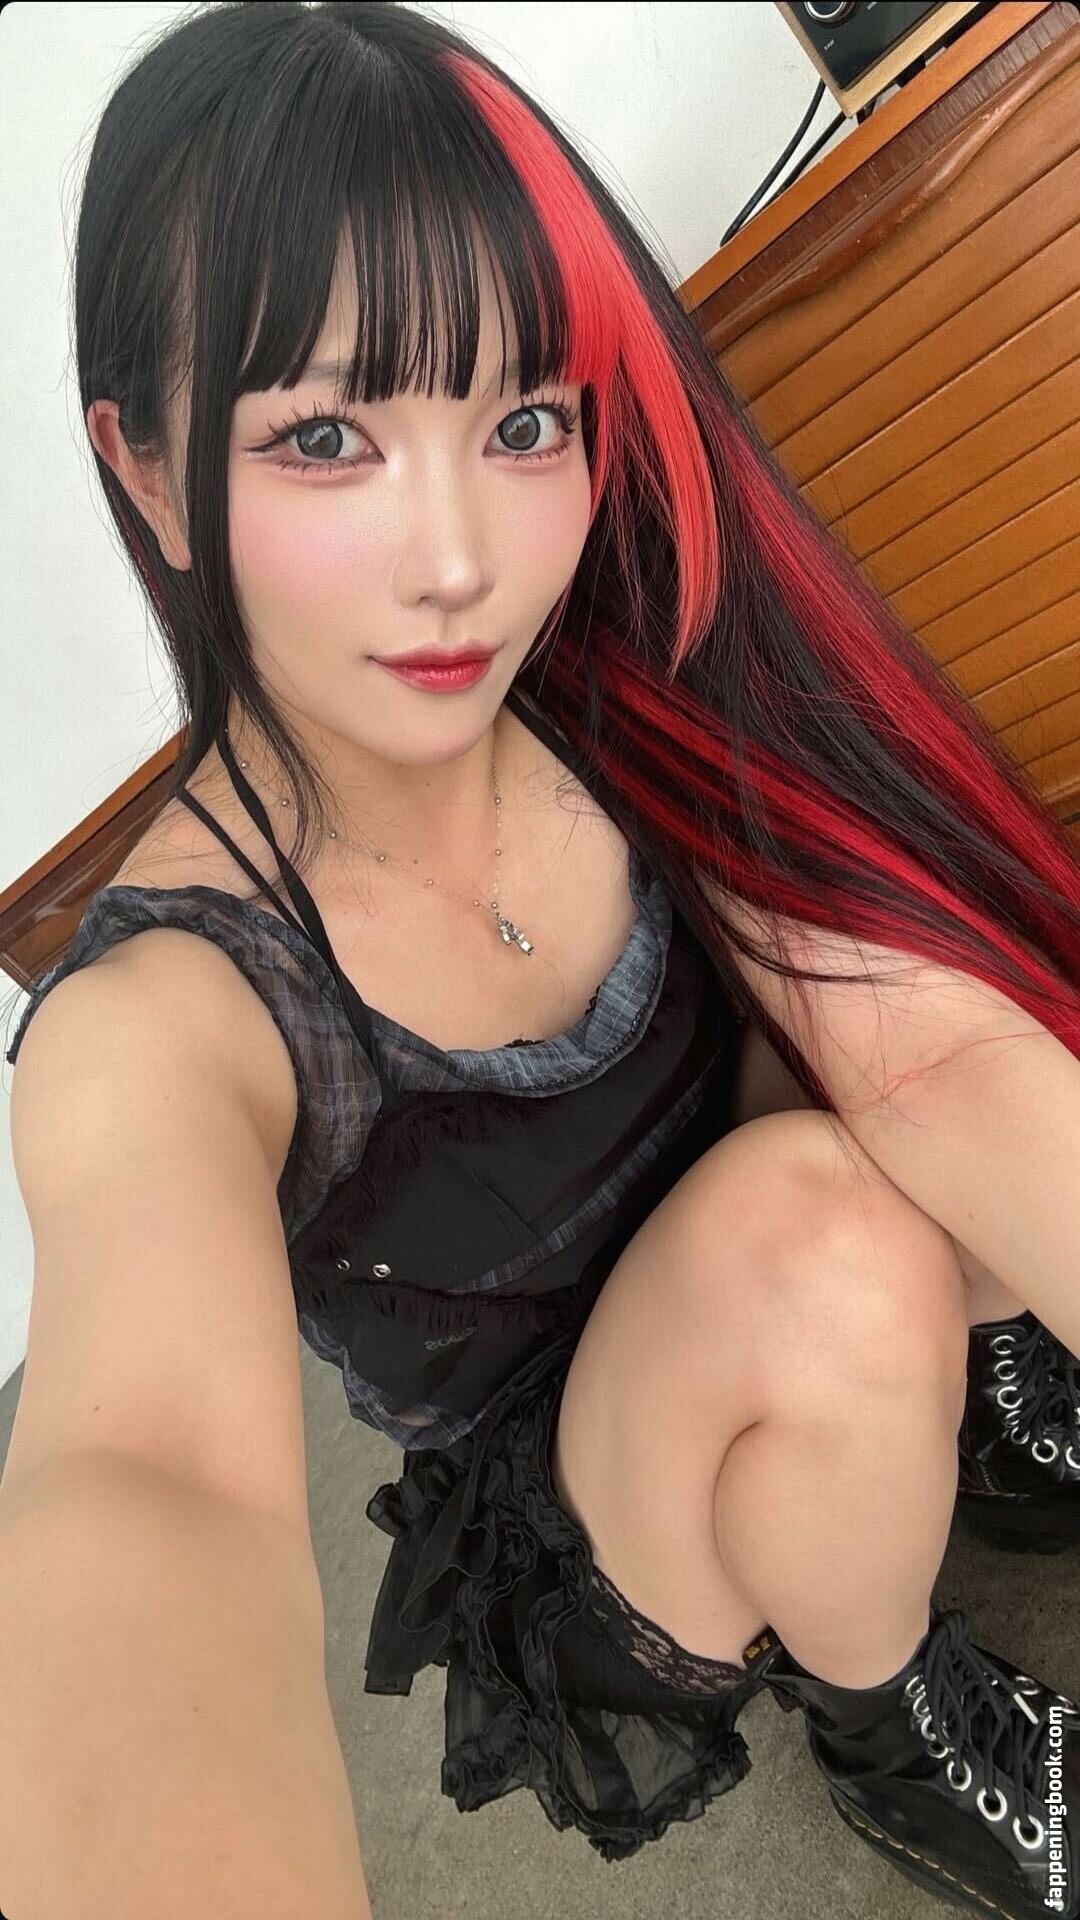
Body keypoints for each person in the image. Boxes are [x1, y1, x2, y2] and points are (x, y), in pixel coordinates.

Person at [2, 4, 1079, 1917]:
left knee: (897, 994)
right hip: (603, 1493)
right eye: (325, 437)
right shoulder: (166, 1019)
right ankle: (893, 1720)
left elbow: (932, 1051)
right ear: (152, 476)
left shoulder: (612, 667)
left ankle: (964, 1398)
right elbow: (156, 1485)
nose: (461, 562)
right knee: (832, 1244)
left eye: (522, 423)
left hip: (791, 1252)